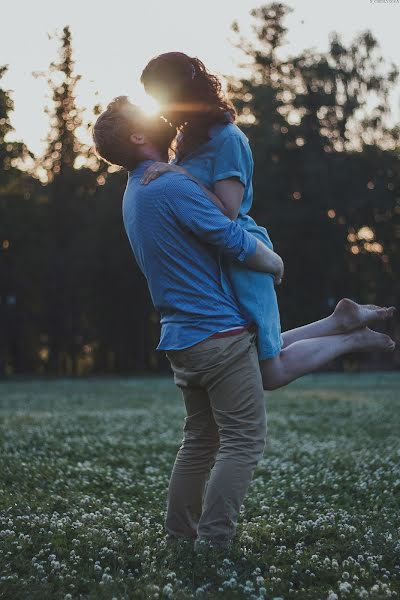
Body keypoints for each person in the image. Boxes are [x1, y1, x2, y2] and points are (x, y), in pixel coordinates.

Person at [92, 96, 395, 553]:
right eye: (145, 116)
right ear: (137, 137)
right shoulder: (168, 185)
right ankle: (213, 544)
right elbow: (229, 235)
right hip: (215, 332)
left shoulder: (138, 188)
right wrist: (272, 261)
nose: (158, 116)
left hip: (184, 336)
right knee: (244, 440)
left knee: (199, 441)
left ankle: (180, 538)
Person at [140, 51, 396, 390]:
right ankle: (341, 320)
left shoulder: (227, 138)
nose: (158, 107)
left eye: (159, 97)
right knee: (255, 356)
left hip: (244, 257)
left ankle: (349, 339)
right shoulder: (187, 138)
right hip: (219, 259)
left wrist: (176, 173)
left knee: (269, 372)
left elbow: (227, 211)